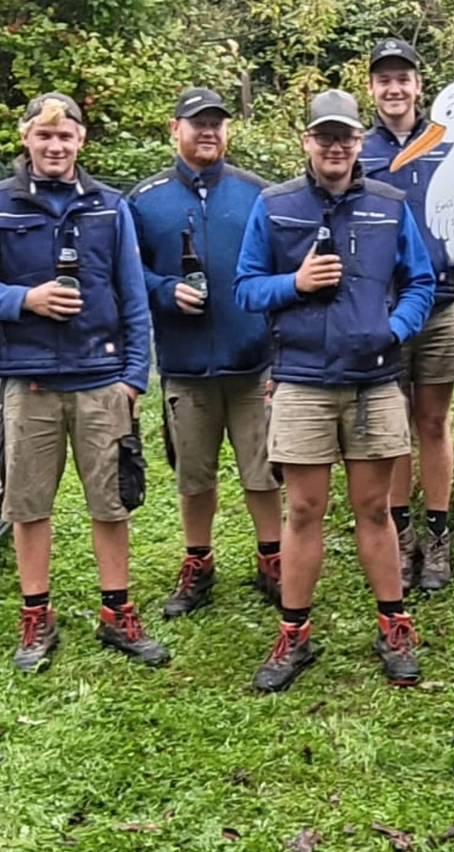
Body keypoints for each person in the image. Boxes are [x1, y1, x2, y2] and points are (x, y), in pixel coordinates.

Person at [234, 89, 435, 692]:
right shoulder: (275, 206)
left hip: (374, 382)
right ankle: (294, 633)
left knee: (376, 510)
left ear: (357, 142)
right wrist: (293, 283)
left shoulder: (389, 204)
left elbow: (421, 281)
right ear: (307, 143)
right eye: (324, 136)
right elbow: (245, 289)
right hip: (302, 381)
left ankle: (393, 624)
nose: (336, 146)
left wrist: (392, 330)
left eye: (345, 136)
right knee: (303, 511)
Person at [0, 93, 169, 671]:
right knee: (28, 506)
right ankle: (35, 616)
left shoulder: (108, 205)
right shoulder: (3, 204)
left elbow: (133, 296)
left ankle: (117, 612)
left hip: (102, 381)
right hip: (30, 384)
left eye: (65, 137)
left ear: (81, 142)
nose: (55, 146)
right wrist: (25, 299)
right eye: (44, 136)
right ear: (25, 138)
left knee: (111, 503)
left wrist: (133, 379)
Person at [129, 87, 282, 618]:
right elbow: (128, 273)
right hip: (186, 363)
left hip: (252, 361)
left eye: (217, 122)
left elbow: (279, 269)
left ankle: (272, 557)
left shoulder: (257, 194)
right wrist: (163, 290)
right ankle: (198, 560)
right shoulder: (145, 200)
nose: (208, 131)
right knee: (194, 474)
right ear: (176, 130)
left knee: (262, 469)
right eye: (197, 123)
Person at [360, 38, 454, 592]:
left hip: (442, 302)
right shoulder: (358, 150)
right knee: (392, 427)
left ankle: (438, 536)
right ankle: (399, 535)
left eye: (403, 77)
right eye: (384, 79)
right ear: (372, 89)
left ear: (418, 86)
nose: (394, 87)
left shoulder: (450, 144)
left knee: (432, 422)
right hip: (381, 307)